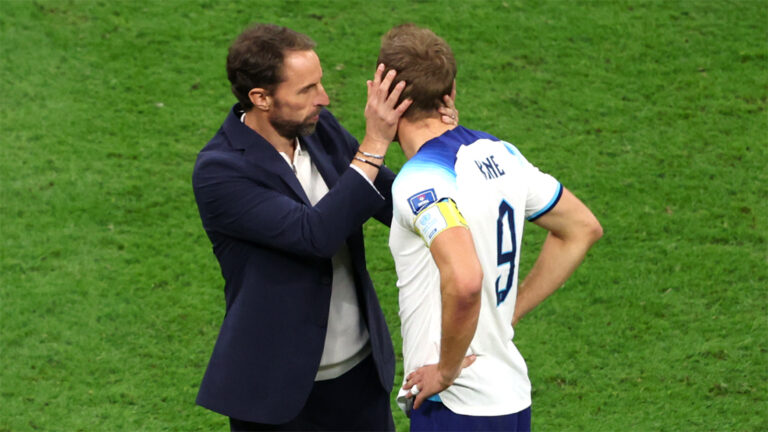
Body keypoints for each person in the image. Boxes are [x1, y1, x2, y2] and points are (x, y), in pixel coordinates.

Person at [192, 24, 457, 430]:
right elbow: (314, 235)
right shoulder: (220, 172)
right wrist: (372, 145)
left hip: (360, 378)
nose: (324, 98)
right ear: (260, 98)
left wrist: (437, 144)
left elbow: (393, 201)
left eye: (319, 83)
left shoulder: (320, 130)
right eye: (306, 90)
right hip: (276, 396)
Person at [380, 24, 603, 431]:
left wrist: (446, 372)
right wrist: (510, 312)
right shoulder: (502, 155)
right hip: (510, 398)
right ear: (449, 92)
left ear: (386, 92)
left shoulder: (420, 180)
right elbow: (581, 227)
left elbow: (465, 279)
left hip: (456, 406)